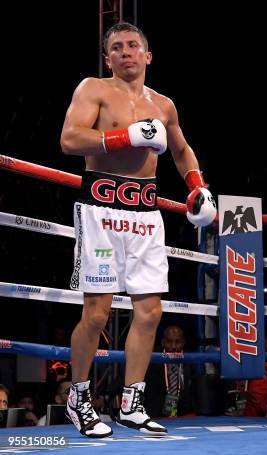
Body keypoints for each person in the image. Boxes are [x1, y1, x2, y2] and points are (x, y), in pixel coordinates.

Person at [60, 22, 216, 438]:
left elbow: (181, 151)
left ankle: (132, 403)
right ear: (107, 57)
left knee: (150, 311)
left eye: (132, 46)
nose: (125, 52)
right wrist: (122, 136)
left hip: (145, 215)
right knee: (96, 314)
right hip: (102, 212)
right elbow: (70, 139)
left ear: (147, 56)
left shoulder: (164, 105)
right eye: (116, 47)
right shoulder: (93, 89)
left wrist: (197, 187)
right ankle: (78, 398)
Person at [144, 325, 197, 418]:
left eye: (177, 342)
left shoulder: (192, 359)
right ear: (163, 342)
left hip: (185, 414)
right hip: (156, 414)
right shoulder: (152, 358)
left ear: (183, 342)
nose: (173, 346)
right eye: (169, 342)